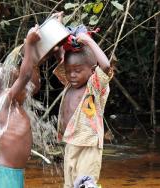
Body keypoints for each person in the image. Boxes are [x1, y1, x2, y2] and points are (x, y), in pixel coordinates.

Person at [53, 25, 113, 188]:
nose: (72, 74)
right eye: (69, 70)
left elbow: (106, 67)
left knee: (85, 185)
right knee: (70, 184)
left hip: (88, 145)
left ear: (93, 70)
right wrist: (58, 30)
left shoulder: (94, 86)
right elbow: (60, 56)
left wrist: (87, 40)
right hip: (71, 143)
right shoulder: (69, 84)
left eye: (77, 70)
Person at [0, 23, 43, 188]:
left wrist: (36, 53)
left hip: (15, 173)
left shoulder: (17, 105)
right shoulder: (6, 102)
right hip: (5, 175)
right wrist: (29, 46)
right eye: (21, 87)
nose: (27, 90)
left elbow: (33, 81)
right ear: (8, 89)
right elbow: (25, 76)